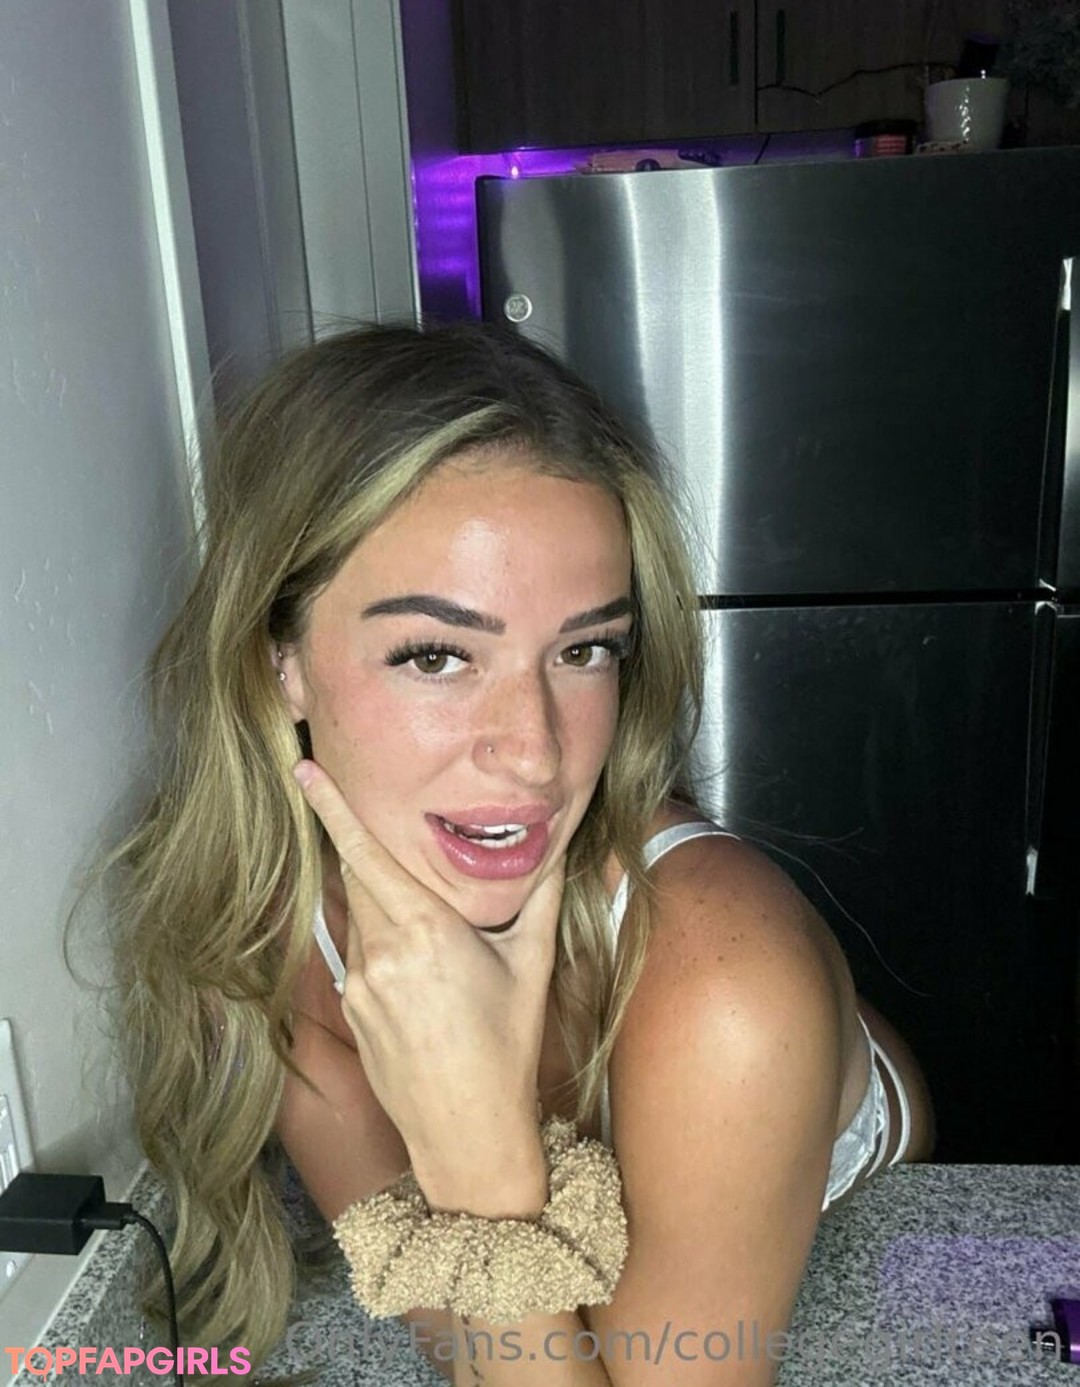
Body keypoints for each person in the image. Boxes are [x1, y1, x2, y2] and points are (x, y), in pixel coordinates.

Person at [109, 321, 934, 1386]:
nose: (538, 752)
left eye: (584, 648)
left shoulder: (729, 993)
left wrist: (482, 1164)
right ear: (283, 663)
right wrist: (486, 1181)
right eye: (436, 654)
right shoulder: (277, 928)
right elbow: (463, 1338)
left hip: (776, 1063)